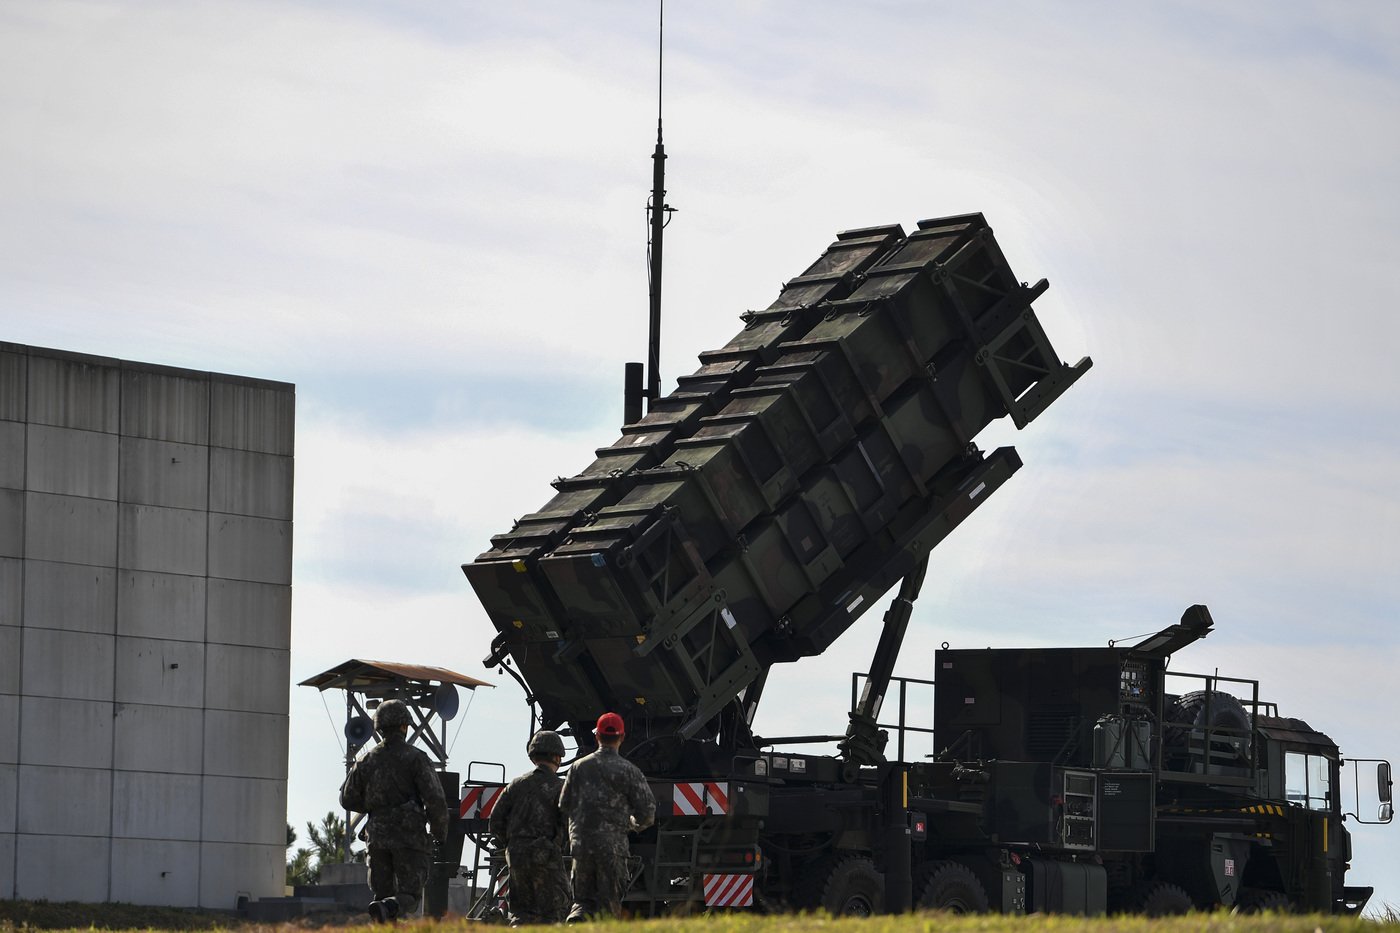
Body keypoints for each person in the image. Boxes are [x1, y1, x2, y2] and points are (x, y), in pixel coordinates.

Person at [339, 699, 449, 923]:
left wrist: (374, 807)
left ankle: (385, 910)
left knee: (380, 898)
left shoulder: (365, 761)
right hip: (409, 837)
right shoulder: (416, 758)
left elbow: (347, 799)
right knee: (408, 896)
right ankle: (392, 905)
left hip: (377, 838)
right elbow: (435, 800)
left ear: (378, 728)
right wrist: (439, 833)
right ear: (404, 726)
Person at [558, 712, 655, 920]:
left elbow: (564, 804)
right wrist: (630, 824)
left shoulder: (578, 767)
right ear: (622, 737)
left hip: (581, 847)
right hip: (613, 850)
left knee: (582, 902)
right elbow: (647, 815)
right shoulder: (630, 771)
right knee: (609, 907)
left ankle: (575, 923)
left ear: (597, 736)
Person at [489, 730, 571, 925]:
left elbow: (495, 822)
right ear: (557, 757)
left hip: (517, 856)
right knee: (552, 914)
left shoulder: (515, 785)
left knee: (521, 914)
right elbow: (570, 824)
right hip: (547, 857)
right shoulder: (562, 787)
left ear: (533, 755)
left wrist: (512, 843)